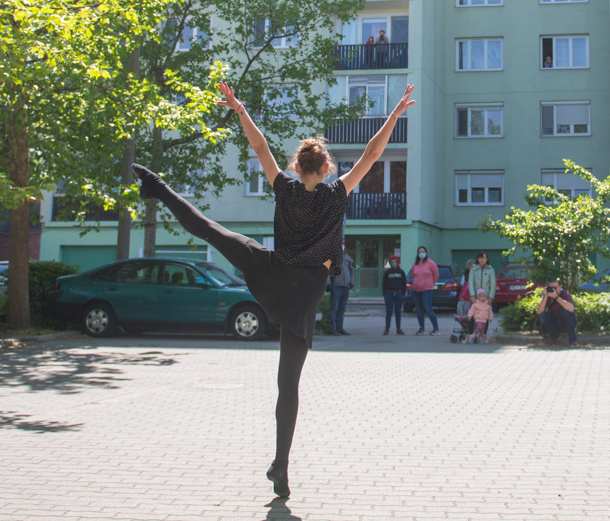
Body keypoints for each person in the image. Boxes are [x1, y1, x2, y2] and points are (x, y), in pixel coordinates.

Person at [133, 79, 414, 499]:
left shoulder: (284, 187)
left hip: (274, 270)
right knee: (289, 384)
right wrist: (393, 115)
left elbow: (261, 150)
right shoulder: (338, 193)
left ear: (297, 167)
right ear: (326, 169)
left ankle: (157, 187)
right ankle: (280, 464)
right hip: (304, 292)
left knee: (213, 232)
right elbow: (373, 153)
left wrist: (241, 109)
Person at [535, 277, 577, 346]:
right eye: (552, 288)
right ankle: (554, 338)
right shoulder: (547, 296)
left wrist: (556, 297)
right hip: (555, 322)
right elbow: (539, 312)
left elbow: (571, 309)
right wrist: (545, 297)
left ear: (560, 287)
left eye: (555, 287)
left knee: (565, 311)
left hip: (567, 321)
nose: (553, 290)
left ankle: (573, 340)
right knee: (543, 316)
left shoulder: (565, 293)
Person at [409, 246, 440, 335]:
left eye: (423, 251)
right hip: (415, 291)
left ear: (426, 253)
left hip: (426, 290)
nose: (421, 253)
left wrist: (430, 284)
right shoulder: (415, 264)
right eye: (419, 252)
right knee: (419, 310)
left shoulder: (431, 263)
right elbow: (413, 274)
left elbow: (436, 275)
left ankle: (436, 329)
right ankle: (421, 328)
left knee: (428, 309)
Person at [328, 249, 354, 335]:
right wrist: (328, 283)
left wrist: (352, 281)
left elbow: (351, 270)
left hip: (345, 286)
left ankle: (340, 328)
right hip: (336, 285)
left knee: (342, 309)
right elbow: (326, 269)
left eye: (343, 243)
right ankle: (331, 329)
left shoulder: (347, 257)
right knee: (334, 308)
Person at [381, 253, 408, 335]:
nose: (393, 263)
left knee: (398, 311)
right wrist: (385, 293)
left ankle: (398, 328)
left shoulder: (401, 272)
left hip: (399, 293)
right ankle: (387, 328)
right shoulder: (387, 272)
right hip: (389, 293)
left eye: (395, 261)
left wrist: (402, 293)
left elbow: (404, 283)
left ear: (397, 261)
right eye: (392, 262)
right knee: (389, 311)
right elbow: (384, 283)